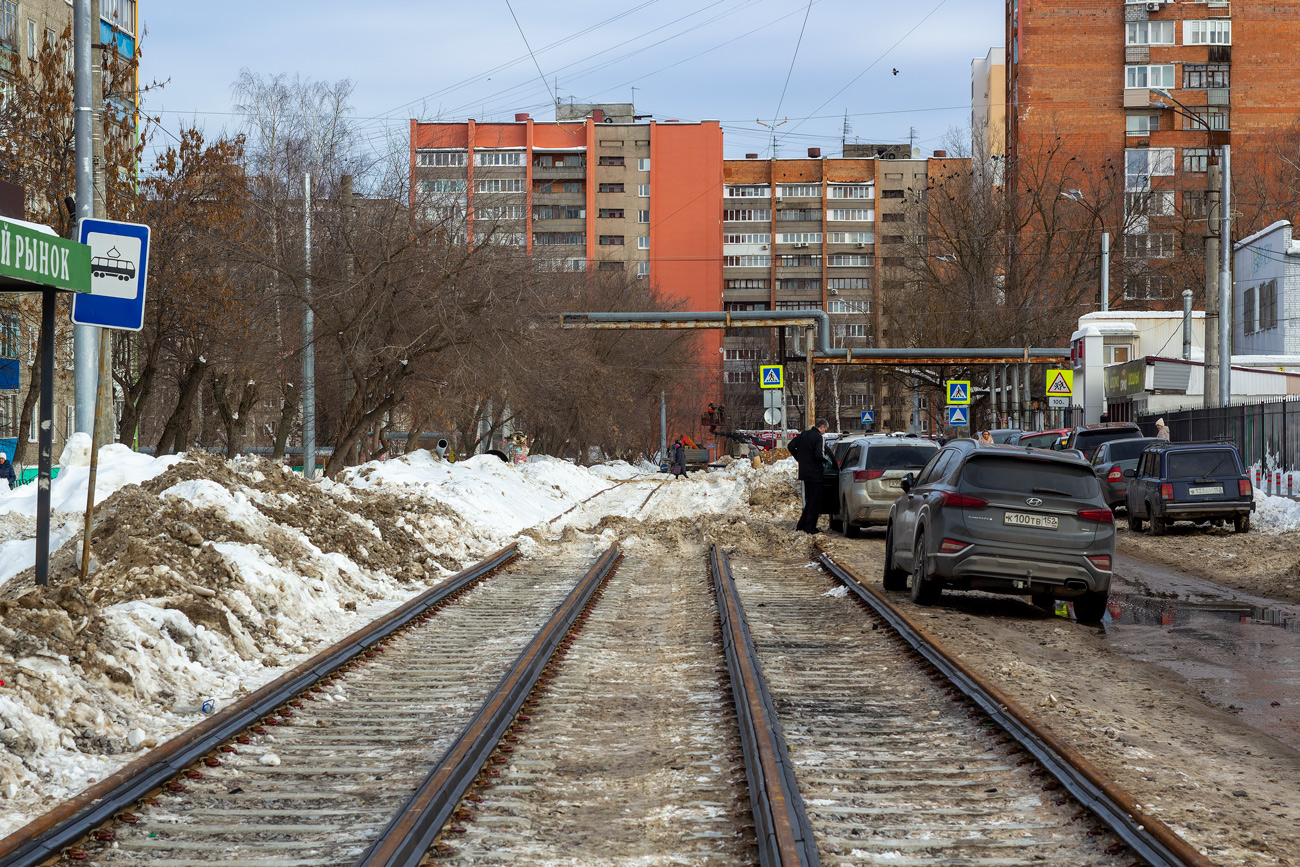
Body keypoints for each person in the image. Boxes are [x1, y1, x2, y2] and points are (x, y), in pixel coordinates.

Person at [788, 418, 829, 534]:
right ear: (821, 427)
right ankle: (810, 527)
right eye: (824, 429)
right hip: (816, 473)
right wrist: (825, 460)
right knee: (814, 502)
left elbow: (790, 446)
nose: (824, 432)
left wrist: (799, 458)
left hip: (805, 473)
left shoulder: (803, 435)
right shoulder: (818, 438)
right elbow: (819, 455)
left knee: (809, 500)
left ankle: (802, 525)